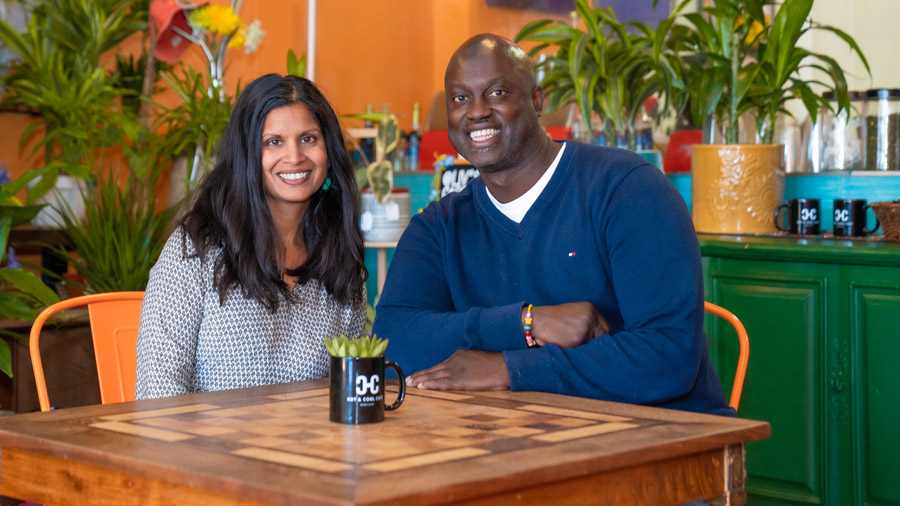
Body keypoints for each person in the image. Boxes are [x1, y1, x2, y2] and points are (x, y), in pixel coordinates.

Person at [372, 34, 732, 416]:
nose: (476, 111)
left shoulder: (628, 189)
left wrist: (508, 367)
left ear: (537, 101)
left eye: (496, 93)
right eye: (460, 98)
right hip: (523, 443)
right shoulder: (438, 226)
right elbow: (393, 343)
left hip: (666, 442)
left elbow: (667, 356)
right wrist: (526, 323)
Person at [136, 74, 367, 400]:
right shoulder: (195, 251)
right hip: (205, 449)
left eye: (308, 139)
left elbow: (352, 386)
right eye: (273, 142)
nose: (294, 157)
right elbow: (156, 390)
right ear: (246, 155)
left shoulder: (339, 252)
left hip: (313, 449)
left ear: (328, 150)